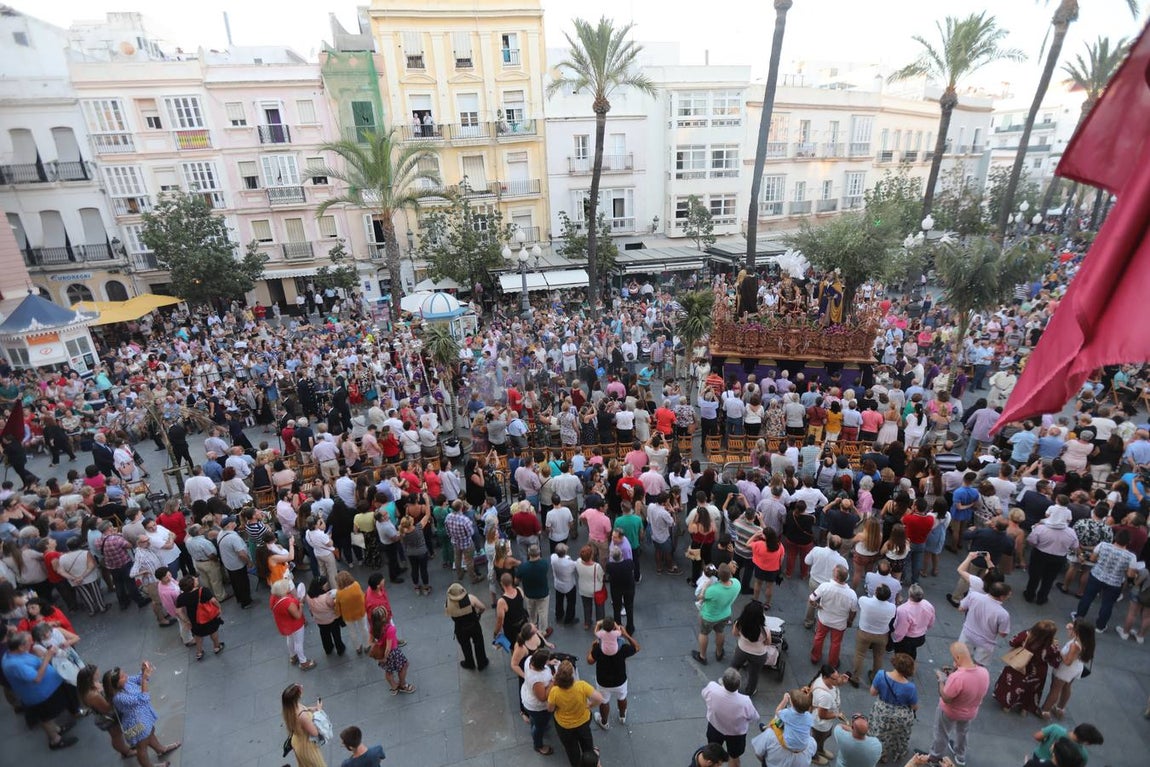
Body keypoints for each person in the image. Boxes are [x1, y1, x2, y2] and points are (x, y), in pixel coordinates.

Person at [2, 630, 79, 750]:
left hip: (45, 692)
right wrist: (47, 656)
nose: (32, 644)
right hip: (39, 695)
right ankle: (55, 740)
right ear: (21, 647)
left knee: (48, 716)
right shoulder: (15, 664)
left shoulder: (14, 653)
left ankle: (57, 730)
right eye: (29, 642)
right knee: (46, 717)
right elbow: (37, 678)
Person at [105, 660, 181, 767]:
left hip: (142, 717)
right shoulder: (118, 698)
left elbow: (137, 679)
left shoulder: (126, 682)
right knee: (142, 747)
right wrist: (145, 679)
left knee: (150, 732)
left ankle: (161, 749)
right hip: (135, 725)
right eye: (122, 676)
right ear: (116, 684)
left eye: (124, 673)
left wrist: (143, 671)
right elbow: (143, 699)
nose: (126, 676)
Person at [928, 642, 990, 767]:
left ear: (958, 658)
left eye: (953, 657)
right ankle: (960, 755)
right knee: (963, 733)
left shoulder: (957, 677)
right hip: (970, 712)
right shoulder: (984, 672)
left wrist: (941, 679)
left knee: (942, 733)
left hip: (950, 711)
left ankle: (935, 757)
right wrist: (954, 671)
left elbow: (946, 698)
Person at [1072, 528, 1138, 632]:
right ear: (1128, 542)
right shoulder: (1131, 557)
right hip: (1115, 582)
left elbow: (1093, 559)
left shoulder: (1103, 545)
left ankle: (1079, 617)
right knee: (1107, 604)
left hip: (1097, 575)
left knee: (1087, 597)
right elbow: (1130, 574)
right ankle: (1100, 626)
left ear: (1116, 538)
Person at [992, 619, 1061, 715]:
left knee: (1013, 685)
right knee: (1031, 690)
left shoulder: (1026, 635)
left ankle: (1007, 706)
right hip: (1037, 671)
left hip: (1020, 666)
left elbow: (1012, 642)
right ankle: (1024, 710)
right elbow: (1055, 662)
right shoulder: (1052, 646)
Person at [547, 659, 603, 767]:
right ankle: (591, 759)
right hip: (583, 721)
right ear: (572, 674)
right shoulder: (581, 686)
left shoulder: (555, 691)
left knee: (571, 748)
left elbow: (550, 709)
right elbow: (599, 699)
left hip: (564, 726)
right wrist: (590, 705)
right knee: (587, 744)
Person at [587, 619, 640, 729]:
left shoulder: (598, 648)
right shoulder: (623, 648)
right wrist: (626, 635)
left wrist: (592, 647)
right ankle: (622, 716)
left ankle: (604, 722)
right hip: (620, 680)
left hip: (603, 682)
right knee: (622, 697)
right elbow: (637, 648)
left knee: (604, 701)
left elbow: (590, 661)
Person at [702, 667, 759, 767]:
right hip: (736, 735)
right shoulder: (744, 701)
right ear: (738, 685)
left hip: (715, 728)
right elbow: (754, 717)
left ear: (723, 681)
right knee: (734, 756)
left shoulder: (712, 688)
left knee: (713, 755)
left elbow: (704, 694)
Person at [868, 652, 918, 765]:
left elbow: (872, 692)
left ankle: (881, 754)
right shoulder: (910, 687)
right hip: (900, 715)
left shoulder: (881, 675)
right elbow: (914, 706)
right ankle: (895, 752)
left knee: (879, 732)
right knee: (896, 736)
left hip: (882, 711)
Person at [1041, 618, 1095, 720]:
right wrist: (1071, 627)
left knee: (1055, 689)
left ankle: (1045, 710)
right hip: (1077, 668)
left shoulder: (1074, 646)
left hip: (1065, 670)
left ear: (1078, 632)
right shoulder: (1086, 641)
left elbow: (1068, 662)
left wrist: (1059, 651)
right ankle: (1060, 709)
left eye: (1074, 628)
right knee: (1067, 687)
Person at [77, 663, 134, 759]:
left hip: (109, 715)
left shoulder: (92, 685)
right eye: (96, 673)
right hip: (108, 718)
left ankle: (127, 746)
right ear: (91, 677)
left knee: (120, 733)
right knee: (117, 736)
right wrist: (113, 693)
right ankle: (126, 751)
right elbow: (107, 709)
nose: (98, 673)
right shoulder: (93, 695)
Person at [809, 565, 858, 669]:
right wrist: (850, 621)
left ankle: (815, 657)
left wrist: (818, 606)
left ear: (836, 577)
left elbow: (811, 599)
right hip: (840, 623)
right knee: (836, 643)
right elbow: (853, 611)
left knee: (819, 637)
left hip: (824, 619)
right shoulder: (852, 594)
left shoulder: (825, 586)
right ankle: (832, 663)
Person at [694, 563, 741, 665]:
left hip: (709, 616)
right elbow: (732, 579)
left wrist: (705, 587)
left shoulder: (712, 590)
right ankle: (719, 653)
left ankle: (702, 656)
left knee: (704, 633)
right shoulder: (737, 584)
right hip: (725, 614)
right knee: (720, 632)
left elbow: (699, 597)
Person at [958, 580, 1011, 666]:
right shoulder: (1003, 614)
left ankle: (956, 676)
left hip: (967, 634)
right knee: (978, 666)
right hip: (986, 642)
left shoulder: (974, 595)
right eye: (1008, 595)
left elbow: (961, 609)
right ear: (1001, 597)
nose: (1009, 596)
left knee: (961, 660)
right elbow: (1003, 634)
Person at [728, 600, 775, 696]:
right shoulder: (764, 630)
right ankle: (750, 690)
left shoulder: (739, 623)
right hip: (759, 654)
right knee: (754, 674)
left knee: (734, 666)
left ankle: (729, 684)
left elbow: (734, 633)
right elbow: (768, 642)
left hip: (742, 650)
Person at [174, 574, 224, 661]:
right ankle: (217, 647)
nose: (196, 579)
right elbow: (214, 601)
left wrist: (186, 621)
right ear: (192, 584)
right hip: (209, 617)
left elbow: (178, 611)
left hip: (195, 620)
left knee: (198, 636)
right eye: (195, 579)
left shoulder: (181, 597)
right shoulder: (203, 590)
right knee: (213, 632)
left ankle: (199, 652)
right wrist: (219, 608)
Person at [270, 578, 316, 671]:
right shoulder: (288, 602)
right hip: (295, 625)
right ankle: (303, 662)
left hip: (284, 625)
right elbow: (298, 615)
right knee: (298, 643)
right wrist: (301, 606)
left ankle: (292, 656)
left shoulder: (273, 597)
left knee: (290, 639)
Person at [809, 665, 848, 765]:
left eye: (838, 676)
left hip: (826, 723)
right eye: (835, 679)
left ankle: (820, 750)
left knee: (825, 736)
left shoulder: (824, 679)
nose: (837, 680)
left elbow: (836, 684)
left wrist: (842, 681)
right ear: (826, 677)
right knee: (816, 740)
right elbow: (822, 715)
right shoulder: (824, 696)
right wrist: (836, 715)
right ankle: (813, 756)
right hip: (820, 724)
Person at [369, 605, 413, 694]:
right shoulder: (390, 629)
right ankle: (403, 685)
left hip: (382, 653)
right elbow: (388, 648)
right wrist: (385, 657)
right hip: (392, 653)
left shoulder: (373, 628)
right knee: (404, 666)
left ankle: (394, 687)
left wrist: (378, 651)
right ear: (383, 618)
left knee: (388, 671)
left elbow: (370, 641)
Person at [281, 682, 327, 767]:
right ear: (297, 696)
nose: (302, 686)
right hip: (307, 747)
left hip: (297, 742)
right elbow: (315, 733)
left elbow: (303, 710)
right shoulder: (302, 716)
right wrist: (319, 711)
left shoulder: (289, 709)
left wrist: (311, 709)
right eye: (299, 687)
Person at [445, 582, 488, 670]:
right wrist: (478, 615)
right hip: (473, 625)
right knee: (478, 643)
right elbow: (483, 607)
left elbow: (450, 615)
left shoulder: (447, 604)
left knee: (465, 646)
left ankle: (469, 663)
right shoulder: (470, 598)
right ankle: (482, 662)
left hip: (460, 628)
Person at [1024, 723, 1104, 767]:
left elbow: (1037, 736)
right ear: (1086, 742)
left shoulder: (1056, 729)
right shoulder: (1084, 755)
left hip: (1039, 756)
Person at [890, 584, 935, 658]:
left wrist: (895, 639)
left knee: (901, 657)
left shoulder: (903, 610)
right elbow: (931, 622)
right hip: (920, 637)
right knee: (912, 651)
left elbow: (901, 630)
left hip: (907, 639)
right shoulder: (928, 605)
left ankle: (904, 668)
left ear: (910, 594)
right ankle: (912, 664)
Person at [305, 576, 346, 657]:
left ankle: (328, 649)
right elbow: (332, 605)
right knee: (336, 635)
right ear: (320, 586)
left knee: (324, 635)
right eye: (325, 585)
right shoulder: (326, 597)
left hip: (319, 620)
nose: (327, 586)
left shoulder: (308, 596)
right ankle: (340, 649)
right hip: (332, 620)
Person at [335, 571, 369, 655]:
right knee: (364, 628)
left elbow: (337, 606)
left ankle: (357, 648)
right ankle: (367, 645)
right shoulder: (356, 585)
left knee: (352, 632)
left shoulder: (339, 593)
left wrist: (338, 614)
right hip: (360, 612)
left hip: (348, 615)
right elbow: (362, 596)